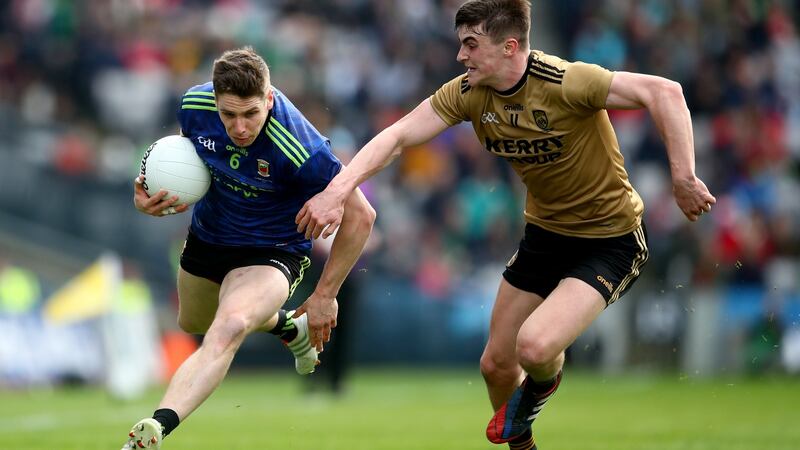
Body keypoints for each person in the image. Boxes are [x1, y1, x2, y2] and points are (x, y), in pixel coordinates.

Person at [295, 1, 716, 449]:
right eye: (461, 45)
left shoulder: (567, 81)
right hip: (545, 236)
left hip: (609, 240)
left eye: (471, 45)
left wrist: (684, 176)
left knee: (533, 348)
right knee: (495, 365)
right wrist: (338, 191)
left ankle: (541, 386)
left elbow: (665, 92)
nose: (461, 56)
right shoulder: (468, 92)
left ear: (510, 46)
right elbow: (397, 137)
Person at [124, 46, 375, 449]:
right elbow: (180, 162)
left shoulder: (301, 147)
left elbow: (362, 215)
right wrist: (146, 195)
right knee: (194, 322)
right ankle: (288, 325)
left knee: (230, 326)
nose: (240, 128)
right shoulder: (193, 105)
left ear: (269, 98)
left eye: (251, 114)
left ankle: (156, 427)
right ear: (215, 102)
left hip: (273, 249)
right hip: (210, 235)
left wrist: (325, 294)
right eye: (229, 115)